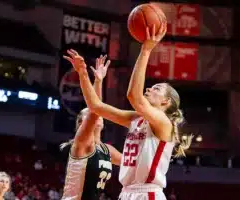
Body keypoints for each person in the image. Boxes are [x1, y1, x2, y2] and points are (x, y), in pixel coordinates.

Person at [64, 22, 193, 200]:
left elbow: (134, 96)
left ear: (166, 101)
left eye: (156, 88)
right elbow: (96, 106)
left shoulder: (164, 123)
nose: (149, 89)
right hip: (126, 192)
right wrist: (83, 74)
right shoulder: (137, 119)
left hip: (147, 193)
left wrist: (146, 50)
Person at [60, 54, 122, 200]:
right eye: (88, 116)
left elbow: (132, 162)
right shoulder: (82, 143)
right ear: (82, 124)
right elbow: (96, 110)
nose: (96, 116)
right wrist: (84, 73)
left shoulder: (107, 150)